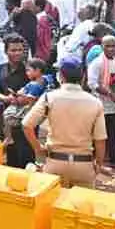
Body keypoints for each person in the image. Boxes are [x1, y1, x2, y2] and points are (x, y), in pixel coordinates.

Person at [21, 57, 106, 187]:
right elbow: (100, 140)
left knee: (52, 199)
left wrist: (38, 149)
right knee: (81, 200)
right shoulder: (95, 103)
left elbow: (27, 125)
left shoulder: (49, 97)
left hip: (54, 163)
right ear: (83, 77)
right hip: (83, 165)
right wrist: (98, 164)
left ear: (61, 76)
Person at [86, 34, 115, 165]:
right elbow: (92, 84)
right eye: (108, 46)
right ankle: (98, 160)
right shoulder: (97, 63)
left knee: (114, 134)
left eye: (114, 46)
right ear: (102, 47)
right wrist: (110, 94)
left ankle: (112, 159)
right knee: (100, 134)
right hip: (101, 104)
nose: (111, 49)